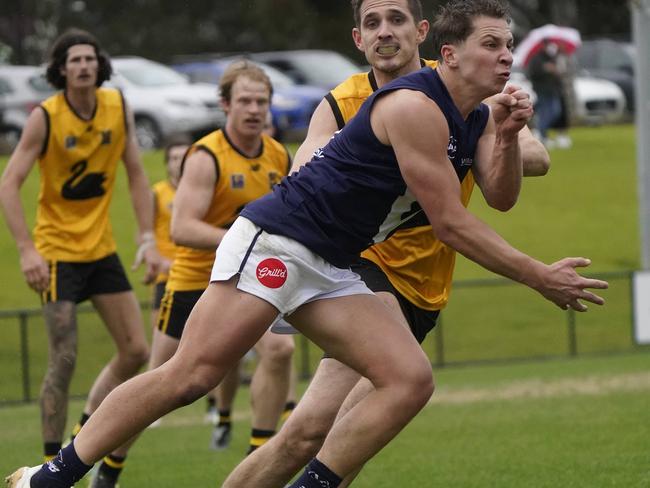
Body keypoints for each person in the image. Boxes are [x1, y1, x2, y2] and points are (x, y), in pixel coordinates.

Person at [7, 2, 608, 487]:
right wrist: (538, 276)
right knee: (191, 374)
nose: (507, 57)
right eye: (493, 45)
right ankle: (50, 478)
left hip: (334, 265)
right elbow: (451, 223)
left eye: (509, 45)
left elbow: (500, 197)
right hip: (279, 242)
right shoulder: (415, 105)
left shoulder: (474, 116)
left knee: (409, 380)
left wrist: (505, 136)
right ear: (448, 53)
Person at [222, 0, 550, 486]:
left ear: (422, 33)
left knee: (350, 443)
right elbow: (303, 176)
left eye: (396, 20)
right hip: (363, 272)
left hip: (426, 287)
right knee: (313, 432)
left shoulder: (461, 83)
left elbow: (536, 158)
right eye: (372, 23)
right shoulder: (342, 101)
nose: (385, 33)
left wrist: (508, 127)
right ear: (358, 38)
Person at [87, 60, 295, 488]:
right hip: (195, 281)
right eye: (245, 101)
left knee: (280, 352)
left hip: (249, 278)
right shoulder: (206, 156)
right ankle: (110, 466)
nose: (255, 110)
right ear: (225, 104)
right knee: (158, 387)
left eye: (262, 101)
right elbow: (182, 228)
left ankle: (259, 456)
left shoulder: (278, 155)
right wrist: (242, 240)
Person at [0, 28, 160, 465]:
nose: (84, 66)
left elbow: (137, 173)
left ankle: (84, 430)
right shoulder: (46, 116)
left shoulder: (117, 106)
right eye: (75, 60)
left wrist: (147, 239)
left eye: (90, 58)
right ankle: (50, 461)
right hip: (56, 253)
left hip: (101, 248)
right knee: (64, 357)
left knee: (136, 350)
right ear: (61, 70)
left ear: (100, 65)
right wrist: (27, 250)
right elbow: (8, 184)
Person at [528, 38, 564, 146]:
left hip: (552, 90)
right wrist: (545, 69)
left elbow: (557, 73)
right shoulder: (537, 58)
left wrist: (555, 71)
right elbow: (533, 72)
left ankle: (540, 132)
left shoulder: (551, 58)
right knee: (546, 113)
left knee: (555, 111)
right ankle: (542, 134)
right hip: (542, 90)